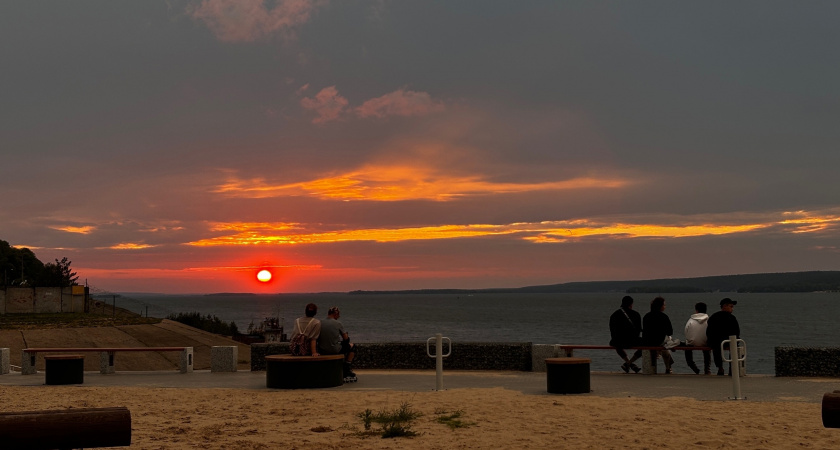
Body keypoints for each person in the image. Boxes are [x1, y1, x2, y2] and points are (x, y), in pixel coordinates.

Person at [317, 306, 358, 382]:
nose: (339, 316)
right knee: (352, 346)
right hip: (334, 350)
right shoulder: (338, 323)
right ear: (335, 314)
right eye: (338, 315)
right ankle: (346, 368)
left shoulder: (320, 322)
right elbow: (346, 338)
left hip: (321, 350)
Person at [706, 298, 741, 376]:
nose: (732, 309)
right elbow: (736, 332)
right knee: (733, 345)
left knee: (716, 347)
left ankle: (720, 367)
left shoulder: (714, 317)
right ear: (724, 306)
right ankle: (732, 368)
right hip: (728, 341)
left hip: (716, 341)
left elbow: (709, 332)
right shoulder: (732, 318)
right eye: (731, 306)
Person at [609, 295, 643, 373]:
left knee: (615, 343)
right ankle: (630, 363)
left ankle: (628, 363)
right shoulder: (636, 314)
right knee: (647, 345)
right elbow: (638, 330)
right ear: (631, 304)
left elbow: (612, 330)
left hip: (618, 341)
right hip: (632, 340)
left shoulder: (614, 315)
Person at [642, 296, 675, 374]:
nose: (665, 307)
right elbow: (670, 332)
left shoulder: (647, 316)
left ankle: (661, 355)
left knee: (665, 345)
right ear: (660, 306)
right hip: (659, 341)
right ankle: (668, 367)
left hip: (648, 341)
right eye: (664, 305)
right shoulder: (664, 317)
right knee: (668, 341)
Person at [683, 302, 711, 375]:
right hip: (705, 343)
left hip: (691, 342)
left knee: (687, 349)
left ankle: (694, 368)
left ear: (696, 310)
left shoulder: (691, 320)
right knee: (707, 352)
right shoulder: (709, 320)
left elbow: (686, 331)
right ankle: (707, 369)